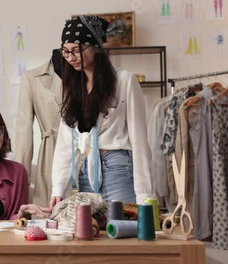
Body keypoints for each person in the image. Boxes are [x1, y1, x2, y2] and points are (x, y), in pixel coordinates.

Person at [50, 15, 154, 208]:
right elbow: (66, 142)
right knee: (90, 234)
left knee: (124, 231)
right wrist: (58, 188)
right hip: (84, 169)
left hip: (117, 167)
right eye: (65, 52)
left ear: (96, 47)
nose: (70, 58)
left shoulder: (124, 80)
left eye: (76, 50)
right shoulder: (72, 85)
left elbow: (139, 140)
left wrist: (145, 194)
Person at [14, 49, 63, 207]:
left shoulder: (87, 74)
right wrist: (22, 179)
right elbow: (24, 129)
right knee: (50, 218)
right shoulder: (32, 78)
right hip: (51, 153)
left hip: (86, 153)